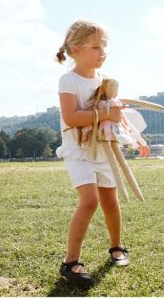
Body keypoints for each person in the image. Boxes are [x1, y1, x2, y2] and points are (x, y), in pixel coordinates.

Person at [54, 19, 130, 286]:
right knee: (89, 201)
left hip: (103, 151)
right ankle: (71, 262)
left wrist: (116, 115)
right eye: (96, 47)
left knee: (110, 200)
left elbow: (112, 115)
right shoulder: (68, 80)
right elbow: (72, 117)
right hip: (79, 151)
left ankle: (117, 246)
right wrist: (104, 113)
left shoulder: (105, 82)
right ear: (75, 49)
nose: (102, 53)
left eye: (104, 47)